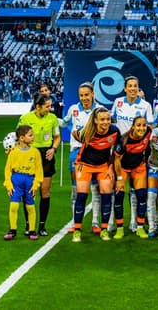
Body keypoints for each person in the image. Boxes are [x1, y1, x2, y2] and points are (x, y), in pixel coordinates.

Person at [110, 75, 153, 232]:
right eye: (130, 86)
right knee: (118, 190)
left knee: (137, 192)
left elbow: (150, 125)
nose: (133, 88)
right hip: (120, 151)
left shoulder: (146, 105)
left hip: (137, 152)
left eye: (136, 86)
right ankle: (112, 223)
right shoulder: (118, 102)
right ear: (125, 88)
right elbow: (112, 120)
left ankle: (135, 222)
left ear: (138, 88)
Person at [70, 107, 118, 243]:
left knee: (106, 192)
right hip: (84, 165)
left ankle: (103, 229)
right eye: (102, 119)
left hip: (103, 166)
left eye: (108, 119)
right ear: (95, 120)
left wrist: (111, 166)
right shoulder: (86, 132)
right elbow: (74, 133)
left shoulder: (114, 131)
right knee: (82, 195)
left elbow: (116, 151)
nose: (106, 122)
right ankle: (77, 230)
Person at [17, 93, 61, 236]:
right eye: (47, 106)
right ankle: (29, 225)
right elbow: (18, 137)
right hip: (30, 155)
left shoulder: (52, 118)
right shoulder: (26, 118)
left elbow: (57, 137)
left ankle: (42, 226)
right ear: (38, 107)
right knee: (29, 192)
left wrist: (53, 149)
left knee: (45, 191)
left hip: (46, 155)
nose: (50, 109)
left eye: (50, 106)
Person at [61, 82, 102, 234]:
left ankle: (95, 222)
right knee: (76, 189)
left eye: (87, 94)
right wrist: (49, 117)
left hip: (94, 153)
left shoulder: (99, 110)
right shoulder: (73, 109)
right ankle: (75, 222)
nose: (84, 98)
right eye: (81, 95)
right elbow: (64, 123)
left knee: (95, 188)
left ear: (93, 94)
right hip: (76, 153)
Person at [114, 115, 152, 239]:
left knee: (142, 195)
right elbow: (117, 160)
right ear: (133, 127)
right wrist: (119, 179)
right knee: (119, 196)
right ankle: (119, 229)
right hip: (123, 168)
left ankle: (140, 227)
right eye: (138, 125)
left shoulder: (148, 132)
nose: (142, 128)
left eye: (143, 125)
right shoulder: (124, 140)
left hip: (138, 168)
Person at [2, 125, 43, 241]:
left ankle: (32, 230)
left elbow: (39, 171)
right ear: (21, 138)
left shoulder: (35, 152)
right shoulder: (13, 152)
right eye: (30, 135)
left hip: (29, 181)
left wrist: (35, 185)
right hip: (16, 181)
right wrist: (9, 185)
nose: (33, 137)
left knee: (30, 207)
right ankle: (12, 230)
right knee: (14, 205)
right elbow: (7, 170)